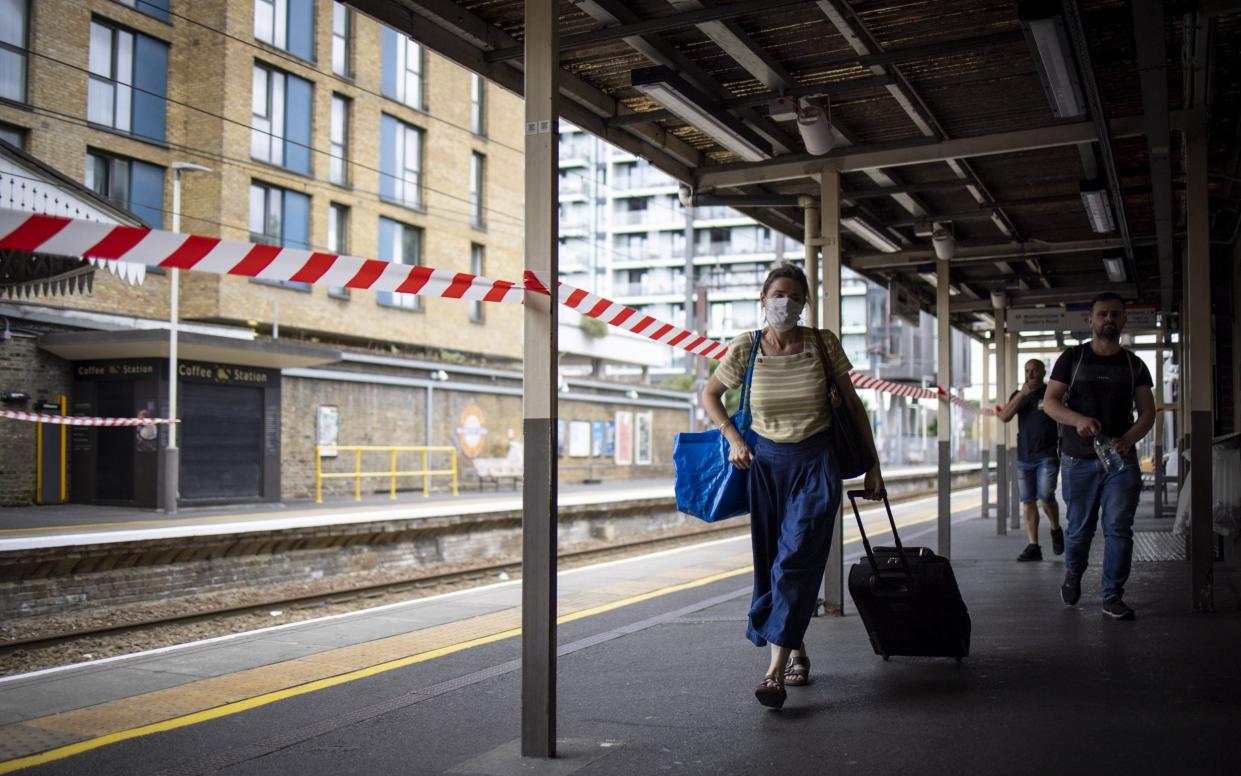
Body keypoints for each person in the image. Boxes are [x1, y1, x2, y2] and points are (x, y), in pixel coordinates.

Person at [702, 262, 885, 709]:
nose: (786, 302)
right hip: (765, 466)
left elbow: (855, 405)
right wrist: (733, 437)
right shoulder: (746, 347)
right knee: (772, 563)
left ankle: (773, 673)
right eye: (778, 294)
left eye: (794, 295)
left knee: (797, 560)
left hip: (815, 463)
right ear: (763, 300)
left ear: (804, 303)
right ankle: (796, 648)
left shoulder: (822, 344)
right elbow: (710, 395)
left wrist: (873, 464)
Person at [1042, 292, 1156, 620]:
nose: (1109, 320)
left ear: (1124, 320)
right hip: (1078, 461)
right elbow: (1050, 402)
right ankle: (1074, 574)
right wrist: (1078, 420)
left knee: (1118, 527)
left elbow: (1147, 413)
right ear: (1090, 321)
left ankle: (1112, 595)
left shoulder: (1134, 365)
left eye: (1115, 315)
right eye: (1102, 314)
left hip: (1120, 461)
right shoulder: (1072, 359)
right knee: (1079, 530)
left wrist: (1128, 439)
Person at [996, 358, 1064, 561]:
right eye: (1027, 371)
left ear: (1043, 373)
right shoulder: (1019, 395)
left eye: (1034, 371)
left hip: (1047, 455)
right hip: (1024, 457)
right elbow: (1004, 416)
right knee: (1028, 501)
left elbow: (1062, 415)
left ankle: (1055, 528)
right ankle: (1033, 545)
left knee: (1045, 496)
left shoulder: (1051, 394)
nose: (1030, 375)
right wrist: (1021, 395)